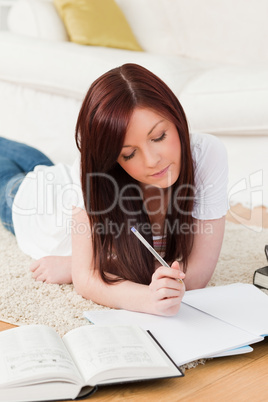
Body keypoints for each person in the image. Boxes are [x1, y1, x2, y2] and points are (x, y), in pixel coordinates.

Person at [0, 63, 228, 316]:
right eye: (129, 154)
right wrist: (145, 298)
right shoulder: (92, 175)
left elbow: (197, 277)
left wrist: (91, 264)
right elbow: (87, 279)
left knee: (31, 158)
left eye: (159, 136)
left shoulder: (205, 154)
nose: (153, 160)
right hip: (31, 202)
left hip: (64, 180)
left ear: (176, 118)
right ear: (112, 160)